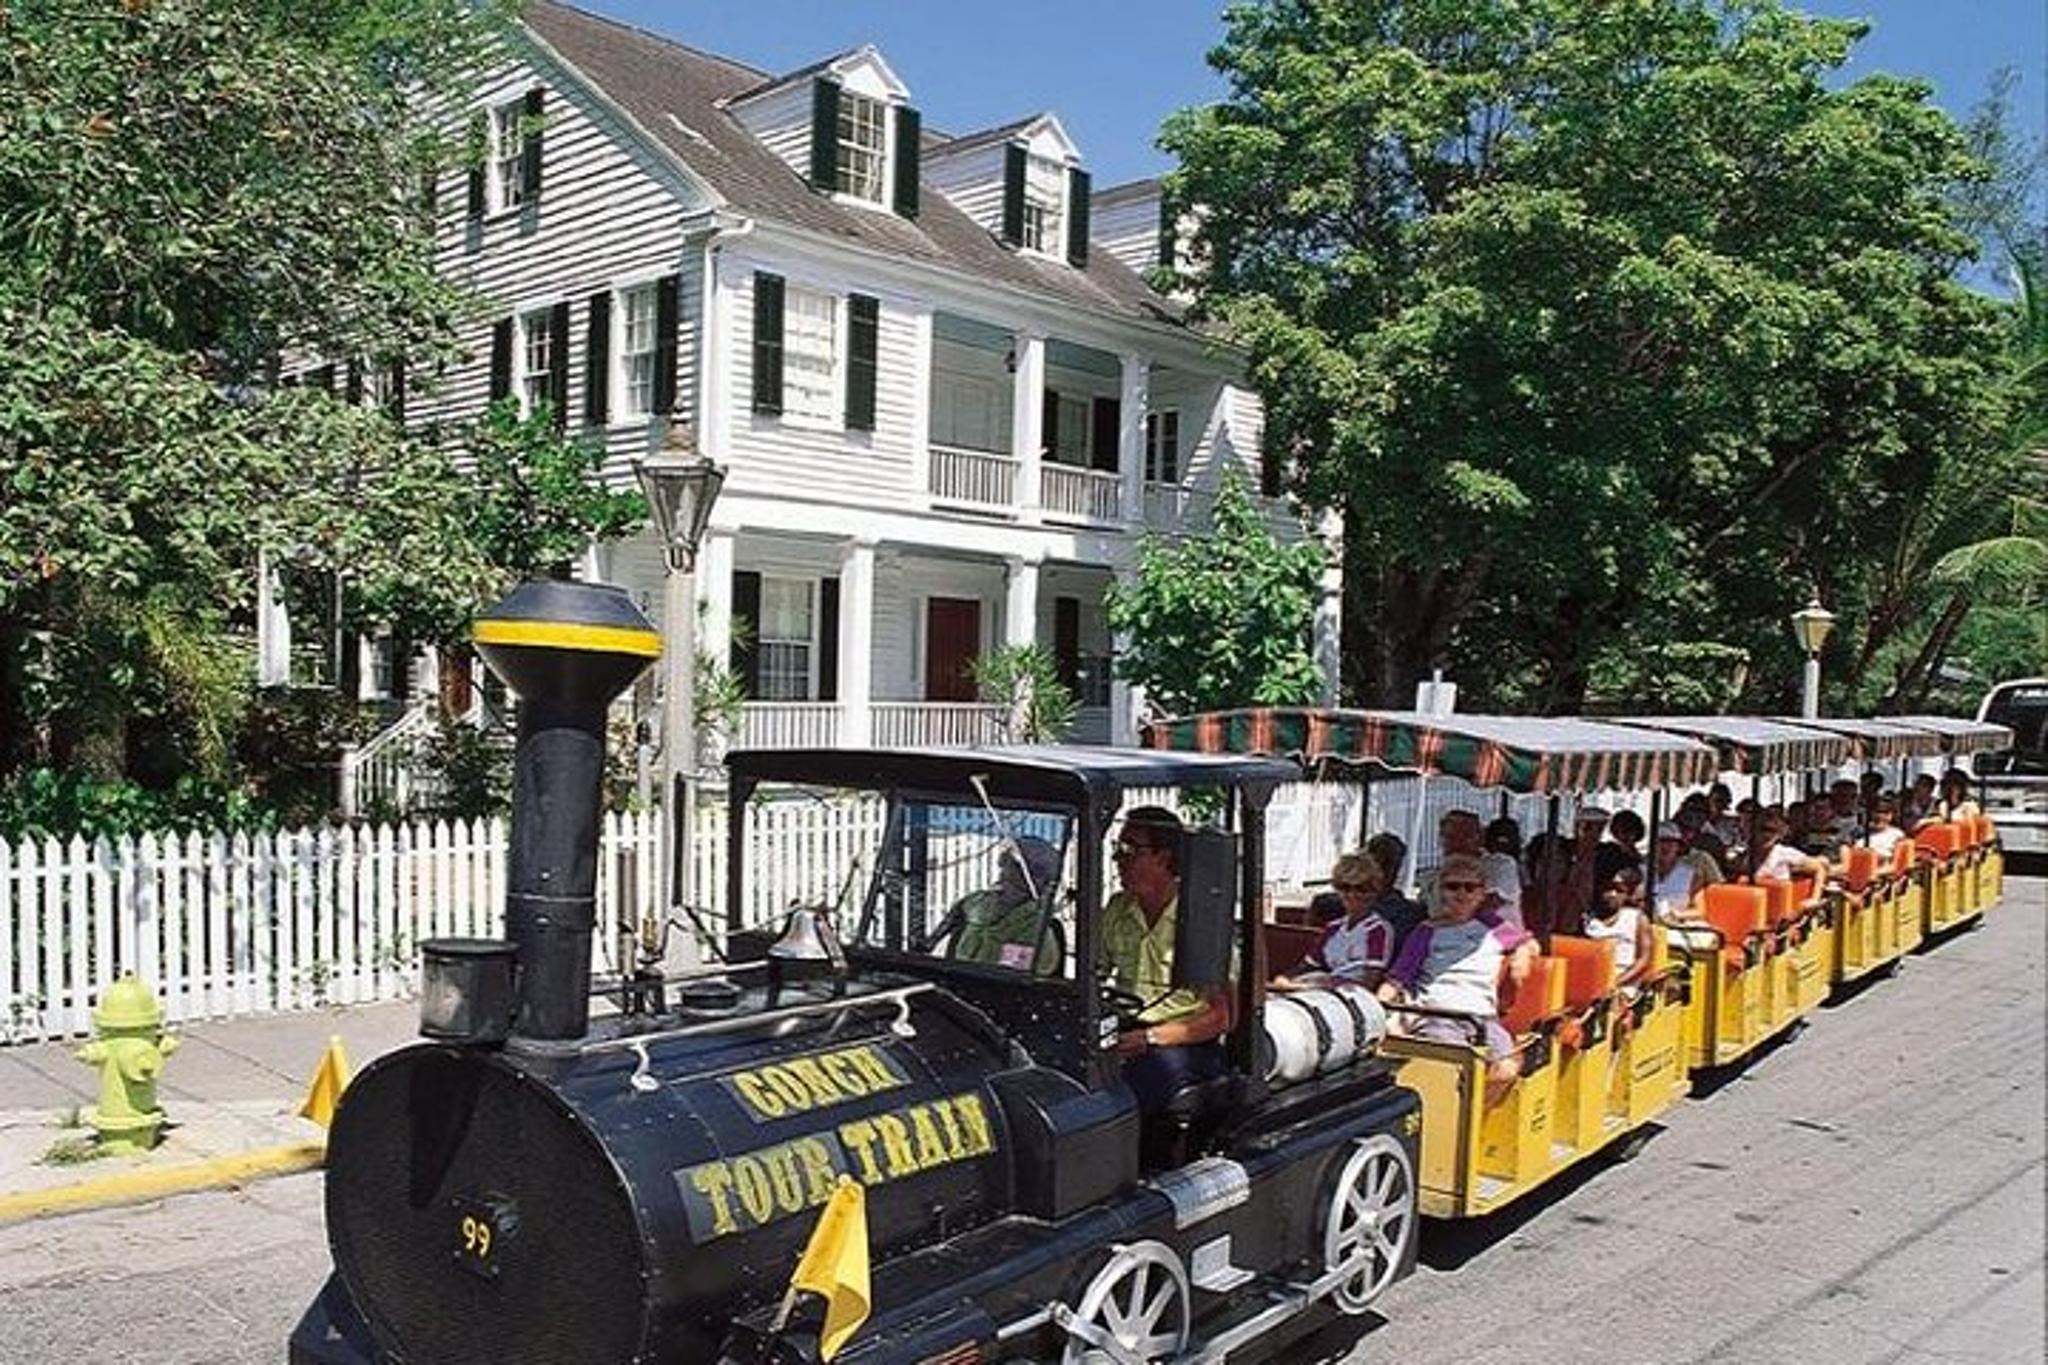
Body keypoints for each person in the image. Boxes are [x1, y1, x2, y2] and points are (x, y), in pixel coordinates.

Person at [1100, 807, 1230, 1113]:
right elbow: (1094, 971)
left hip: (1183, 1041)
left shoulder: (1199, 917)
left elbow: (1222, 1016)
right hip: (1127, 1028)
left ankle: (1131, 1160)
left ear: (1163, 857)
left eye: (1130, 850)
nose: (1118, 859)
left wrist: (1151, 1038)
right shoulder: (1118, 908)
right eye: (1117, 849)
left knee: (1124, 1092)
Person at [1379, 853, 1537, 1104]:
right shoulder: (1426, 931)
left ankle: (1471, 1123)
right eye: (1453, 886)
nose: (1461, 893)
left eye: (1470, 887)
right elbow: (1398, 978)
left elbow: (1530, 942)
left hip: (1481, 1020)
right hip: (1438, 1016)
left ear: (1481, 893)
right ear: (1441, 891)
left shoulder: (1494, 928)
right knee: (1454, 1066)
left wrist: (1522, 954)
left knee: (1507, 1068)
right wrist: (1380, 1006)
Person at [1276, 853, 1395, 991]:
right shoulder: (1333, 928)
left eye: (1362, 888)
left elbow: (1369, 982)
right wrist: (1284, 978)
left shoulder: (1378, 930)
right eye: (1345, 887)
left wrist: (1317, 987)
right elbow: (1308, 965)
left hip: (1350, 996)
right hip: (1320, 987)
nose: (1352, 894)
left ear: (1374, 891)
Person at [947, 836, 1064, 974]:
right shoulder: (976, 904)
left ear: (1033, 879)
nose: (1001, 869)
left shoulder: (1038, 933)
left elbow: (1014, 983)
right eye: (1004, 862)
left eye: (1010, 864)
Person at [1419, 810, 1524, 927]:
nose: (1457, 842)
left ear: (1480, 837)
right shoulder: (1433, 877)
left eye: (1465, 835)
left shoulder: (1501, 865)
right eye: (1449, 836)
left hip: (1500, 939)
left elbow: (1488, 905)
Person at [1584, 866, 1654, 995]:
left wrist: (1615, 983)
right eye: (1608, 889)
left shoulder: (1637, 918)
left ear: (1627, 895)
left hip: (1623, 983)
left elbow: (1644, 960)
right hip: (1591, 980)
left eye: (1619, 890)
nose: (1612, 894)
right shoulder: (1588, 919)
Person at [1652, 820, 1722, 922]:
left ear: (1678, 846)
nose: (1665, 847)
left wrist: (1677, 914)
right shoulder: (1640, 871)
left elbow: (1701, 911)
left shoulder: (1692, 875)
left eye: (1671, 842)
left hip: (1676, 925)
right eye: (1661, 841)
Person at [1748, 808, 1832, 883]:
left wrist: (1814, 899)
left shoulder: (1784, 853)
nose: (1767, 835)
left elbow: (1819, 868)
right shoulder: (1746, 857)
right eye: (1763, 829)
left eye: (1772, 831)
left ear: (1779, 834)